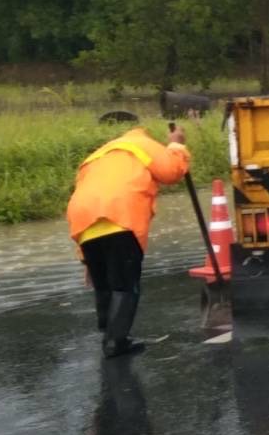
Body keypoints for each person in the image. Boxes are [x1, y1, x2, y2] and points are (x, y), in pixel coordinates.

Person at [67, 125, 191, 358]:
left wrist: (86, 260)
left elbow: (85, 195)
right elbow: (172, 171)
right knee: (125, 285)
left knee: (104, 283)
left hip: (83, 220)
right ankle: (116, 342)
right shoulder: (143, 144)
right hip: (120, 215)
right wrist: (176, 144)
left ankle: (108, 331)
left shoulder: (97, 156)